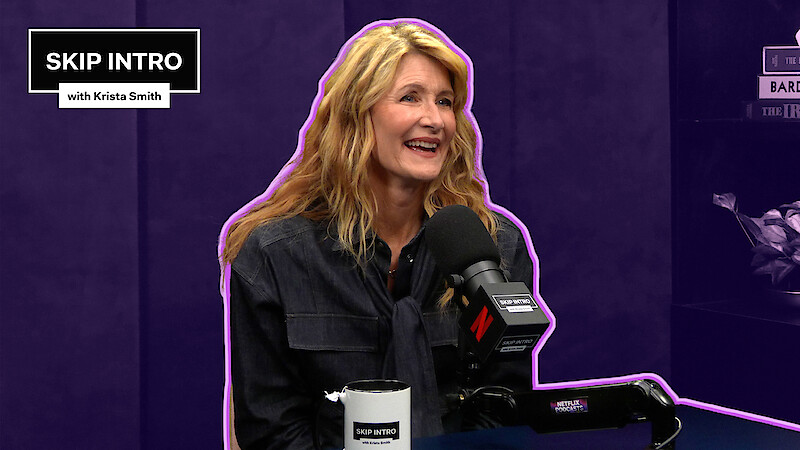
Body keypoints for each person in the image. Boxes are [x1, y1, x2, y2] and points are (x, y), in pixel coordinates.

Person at [220, 20, 535, 449]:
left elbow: (504, 412)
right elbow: (272, 430)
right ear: (356, 115)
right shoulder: (274, 256)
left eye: (445, 102)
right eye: (410, 98)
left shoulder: (494, 247)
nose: (435, 120)